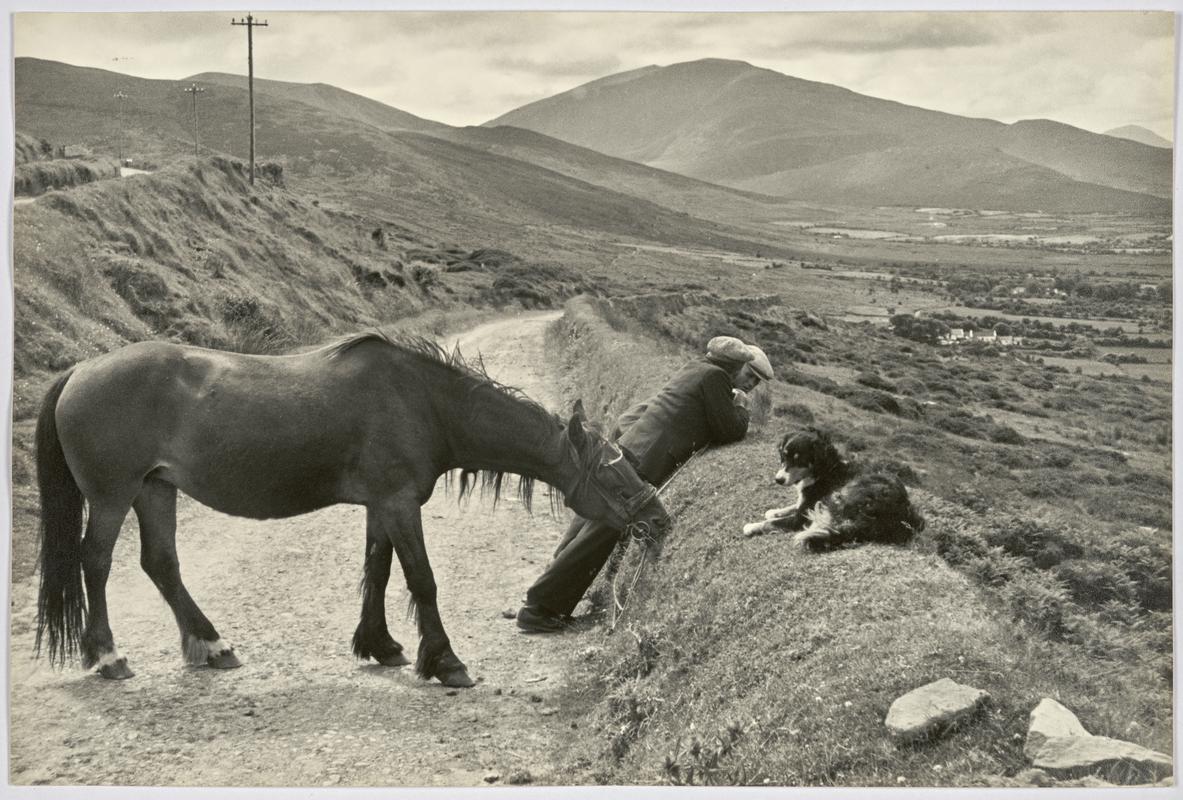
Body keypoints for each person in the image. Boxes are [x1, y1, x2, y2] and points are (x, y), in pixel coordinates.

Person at [516, 335, 774, 632]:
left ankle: (545, 593)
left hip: (632, 448)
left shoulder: (697, 367)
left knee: (592, 522)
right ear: (733, 365)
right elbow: (729, 430)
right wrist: (741, 408)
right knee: (601, 534)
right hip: (646, 461)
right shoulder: (715, 378)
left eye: (756, 381)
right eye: (749, 374)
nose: (751, 385)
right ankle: (539, 609)